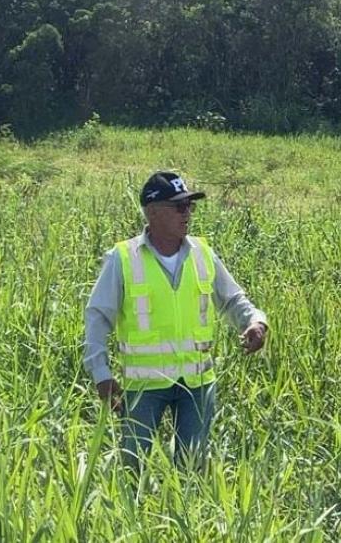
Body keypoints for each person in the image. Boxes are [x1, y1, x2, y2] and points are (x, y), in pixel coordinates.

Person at [83, 170, 268, 471]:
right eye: (179, 206)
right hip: (144, 386)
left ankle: (190, 516)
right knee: (133, 468)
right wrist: (101, 373)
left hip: (197, 384)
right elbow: (97, 317)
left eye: (190, 206)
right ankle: (133, 518)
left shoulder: (203, 254)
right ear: (153, 212)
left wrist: (256, 322)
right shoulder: (123, 259)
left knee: (193, 467)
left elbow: (234, 299)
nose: (188, 213)